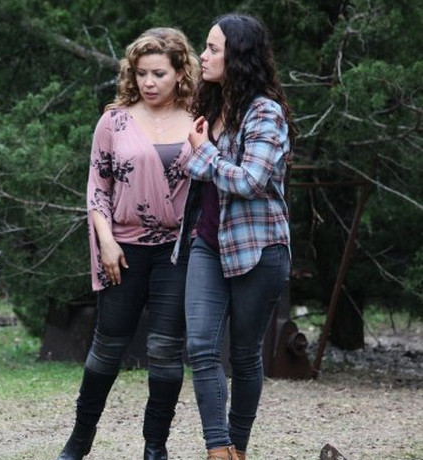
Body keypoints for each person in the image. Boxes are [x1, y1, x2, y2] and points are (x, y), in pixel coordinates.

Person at [55, 27, 199, 460]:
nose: (148, 82)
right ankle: (80, 439)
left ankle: (155, 447)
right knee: (108, 346)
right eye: (141, 73)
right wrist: (106, 242)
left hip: (178, 249)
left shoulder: (200, 118)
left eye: (159, 73)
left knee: (165, 350)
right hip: (123, 246)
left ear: (180, 72)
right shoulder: (114, 120)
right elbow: (97, 188)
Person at [174, 13, 295, 460]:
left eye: (212, 49)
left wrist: (203, 153)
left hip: (257, 249)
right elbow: (187, 163)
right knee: (201, 347)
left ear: (239, 57)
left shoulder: (265, 112)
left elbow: (250, 181)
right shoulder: (209, 105)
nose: (202, 56)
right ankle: (218, 449)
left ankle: (238, 447)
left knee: (244, 355)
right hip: (207, 242)